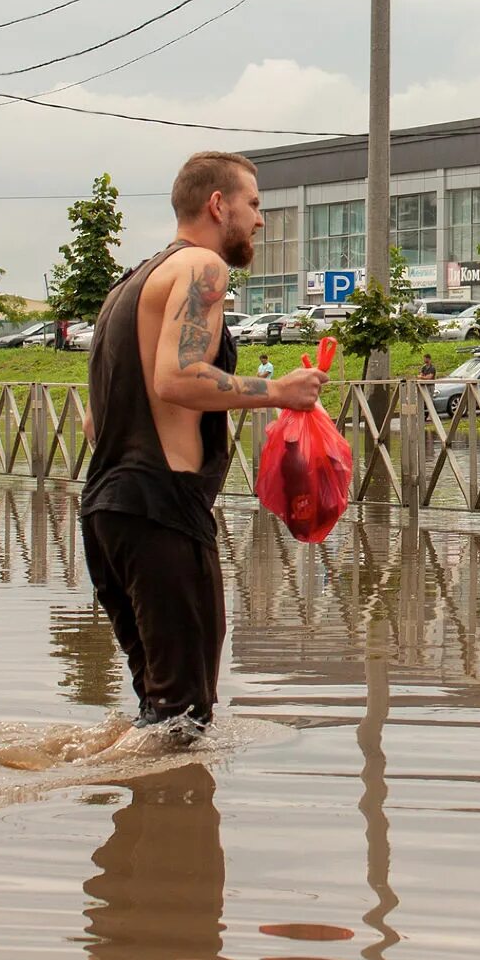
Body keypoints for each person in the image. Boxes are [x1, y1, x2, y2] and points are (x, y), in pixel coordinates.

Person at [81, 151, 327, 744]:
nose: (261, 221)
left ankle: (135, 824)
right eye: (255, 204)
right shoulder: (202, 269)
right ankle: (169, 824)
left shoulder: (132, 284)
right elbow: (177, 377)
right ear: (219, 205)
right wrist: (280, 392)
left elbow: (96, 422)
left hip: (107, 513)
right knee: (185, 720)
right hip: (161, 512)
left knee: (159, 712)